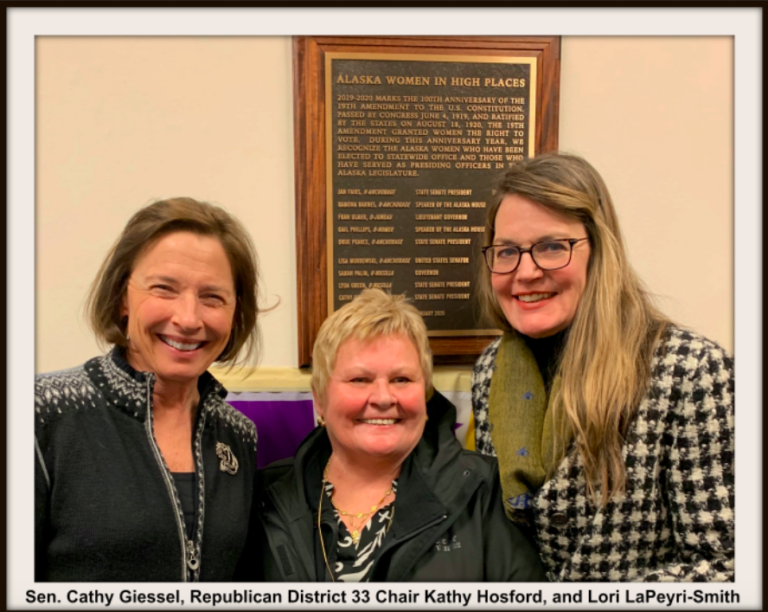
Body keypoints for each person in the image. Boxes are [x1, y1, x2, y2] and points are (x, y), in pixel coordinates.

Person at [473, 152, 734, 582]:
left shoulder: (691, 371)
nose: (526, 272)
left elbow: (729, 567)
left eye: (552, 246)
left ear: (600, 250)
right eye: (507, 252)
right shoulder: (489, 371)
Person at [35, 197, 264, 582]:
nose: (188, 318)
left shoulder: (239, 436)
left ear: (236, 311)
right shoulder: (41, 413)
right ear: (123, 296)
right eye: (164, 288)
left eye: (212, 297)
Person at [255, 288, 545, 582]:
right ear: (319, 400)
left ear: (426, 394)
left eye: (401, 379)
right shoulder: (265, 496)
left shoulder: (485, 491)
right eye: (360, 379)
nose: (383, 397)